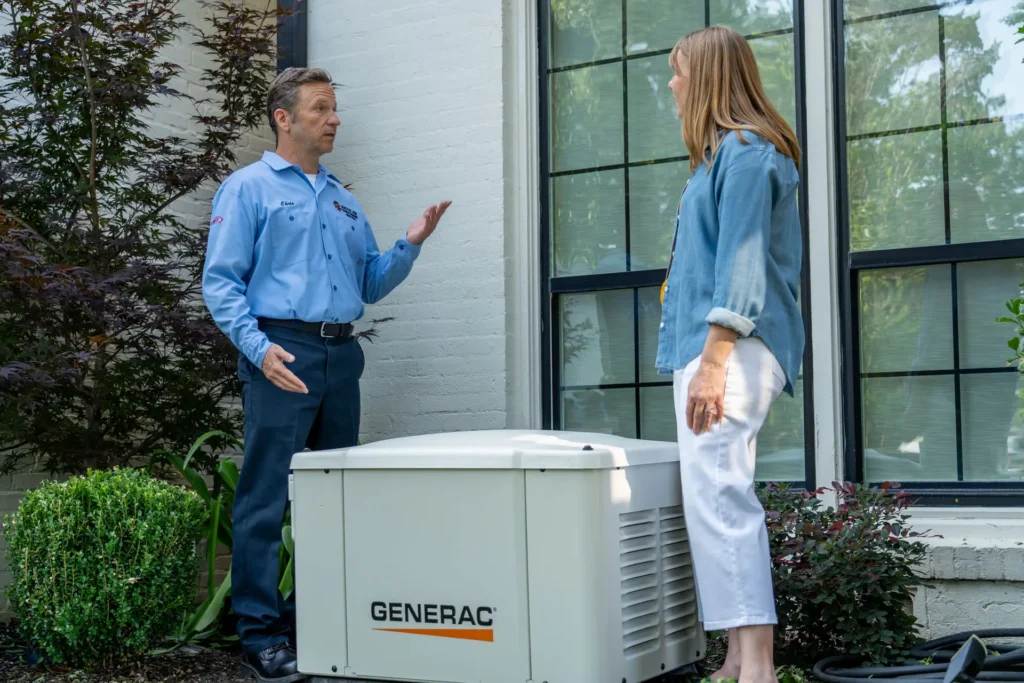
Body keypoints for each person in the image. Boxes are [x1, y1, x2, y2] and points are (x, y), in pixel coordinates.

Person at [202, 67, 451, 682]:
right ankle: (261, 636)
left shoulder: (343, 198)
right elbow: (220, 281)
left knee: (334, 498)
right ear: (284, 118)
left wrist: (410, 244)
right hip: (280, 353)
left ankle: (316, 625)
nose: (334, 118)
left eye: (334, 108)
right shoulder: (248, 189)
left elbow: (367, 284)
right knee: (264, 498)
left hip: (341, 358)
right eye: (320, 108)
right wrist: (259, 350)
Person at [654, 26, 804, 683]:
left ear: (709, 77)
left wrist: (714, 359)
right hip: (712, 348)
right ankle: (739, 658)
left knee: (721, 499)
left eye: (678, 70)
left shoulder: (745, 152)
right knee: (712, 501)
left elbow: (743, 265)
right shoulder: (721, 157)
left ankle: (758, 667)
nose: (671, 83)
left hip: (730, 351)